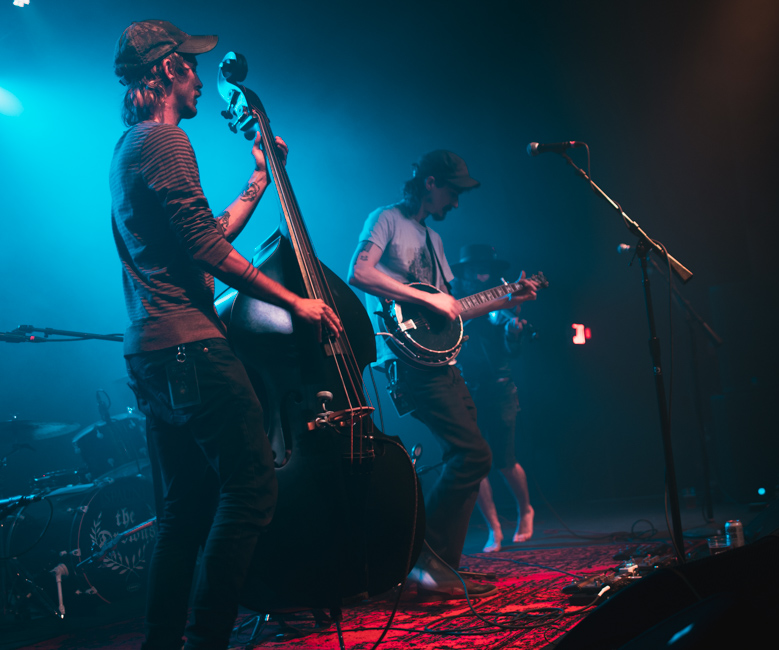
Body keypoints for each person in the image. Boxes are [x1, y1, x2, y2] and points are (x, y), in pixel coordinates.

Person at [111, 20, 341, 650]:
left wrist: (260, 181)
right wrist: (298, 300)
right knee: (250, 488)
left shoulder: (133, 144)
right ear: (164, 72)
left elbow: (199, 237)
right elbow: (207, 246)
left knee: (185, 512)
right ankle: (208, 639)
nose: (198, 78)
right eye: (189, 66)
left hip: (156, 353)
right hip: (191, 347)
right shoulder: (164, 141)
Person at [348, 151, 538, 598]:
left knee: (474, 457)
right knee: (472, 455)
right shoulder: (387, 220)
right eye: (452, 191)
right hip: (409, 361)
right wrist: (431, 302)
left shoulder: (433, 240)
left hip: (444, 361)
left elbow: (453, 311)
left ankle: (442, 570)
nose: (456, 201)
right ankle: (420, 560)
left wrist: (508, 298)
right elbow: (359, 272)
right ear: (429, 183)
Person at [451, 245, 535, 553]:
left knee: (505, 461)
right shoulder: (457, 304)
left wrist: (513, 331)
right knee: (476, 463)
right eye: (474, 268)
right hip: (465, 389)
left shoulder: (501, 302)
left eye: (484, 267)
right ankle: (494, 529)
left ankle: (526, 510)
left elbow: (512, 348)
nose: (479, 273)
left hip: (499, 389)